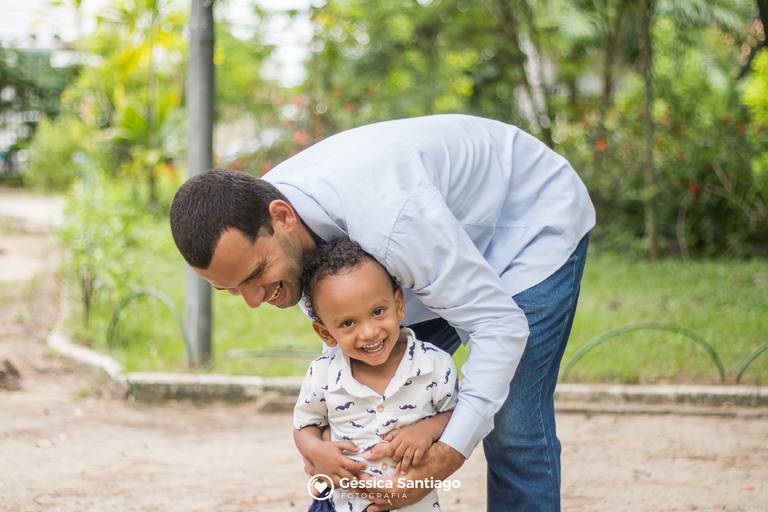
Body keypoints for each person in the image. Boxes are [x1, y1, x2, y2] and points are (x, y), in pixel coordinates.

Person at [170, 114, 595, 511]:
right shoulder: (265, 226)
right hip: (433, 250)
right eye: (231, 290)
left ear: (282, 218)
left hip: (526, 221)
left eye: (257, 274)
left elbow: (497, 325)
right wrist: (319, 449)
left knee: (512, 426)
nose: (254, 299)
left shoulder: (392, 220)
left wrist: (446, 454)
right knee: (375, 395)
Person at [294, 239, 459, 512]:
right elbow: (304, 424)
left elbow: (458, 415)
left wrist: (427, 430)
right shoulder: (322, 373)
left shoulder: (434, 365)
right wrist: (314, 450)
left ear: (399, 305)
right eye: (348, 323)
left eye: (377, 312)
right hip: (341, 505)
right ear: (325, 333)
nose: (369, 332)